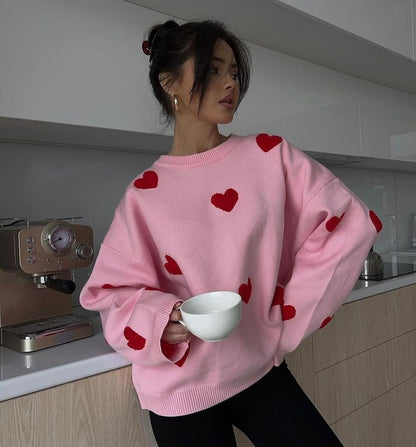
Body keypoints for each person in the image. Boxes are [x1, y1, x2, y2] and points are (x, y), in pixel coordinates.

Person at [80, 20, 382, 446]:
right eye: (214, 69)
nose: (230, 84)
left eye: (235, 73)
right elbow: (109, 294)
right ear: (170, 83)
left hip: (258, 368)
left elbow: (348, 222)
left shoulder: (269, 157)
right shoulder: (144, 196)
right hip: (180, 390)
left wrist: (286, 319)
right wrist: (162, 319)